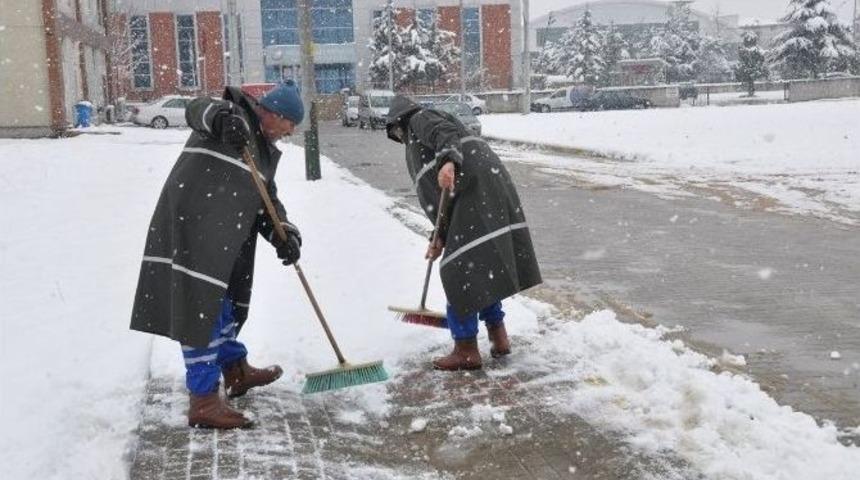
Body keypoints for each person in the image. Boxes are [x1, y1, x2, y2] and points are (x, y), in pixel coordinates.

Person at [130, 81, 305, 428]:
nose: (288, 134)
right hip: (192, 228)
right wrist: (224, 118)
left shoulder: (262, 148)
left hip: (222, 237)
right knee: (200, 312)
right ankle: (204, 401)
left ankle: (235, 370)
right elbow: (198, 109)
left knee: (222, 307)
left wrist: (284, 234)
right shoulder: (233, 116)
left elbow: (265, 199)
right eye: (288, 126)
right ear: (273, 114)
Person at [385, 96, 542, 370]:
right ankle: (498, 336)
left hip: (475, 190)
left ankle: (466, 348)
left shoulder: (420, 118)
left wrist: (448, 161)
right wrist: (439, 237)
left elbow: (445, 136)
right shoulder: (420, 137)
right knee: (480, 263)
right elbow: (442, 200)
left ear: (399, 122)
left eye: (396, 132)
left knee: (461, 270)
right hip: (481, 188)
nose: (400, 138)